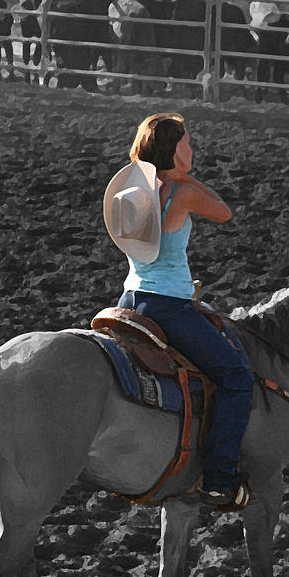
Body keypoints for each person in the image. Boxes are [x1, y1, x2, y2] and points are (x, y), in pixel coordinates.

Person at [112, 112, 254, 505]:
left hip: (130, 299)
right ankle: (219, 479)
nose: (192, 149)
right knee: (237, 377)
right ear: (173, 150)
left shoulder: (134, 192)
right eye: (187, 143)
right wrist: (186, 178)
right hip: (169, 306)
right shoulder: (183, 193)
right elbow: (224, 212)